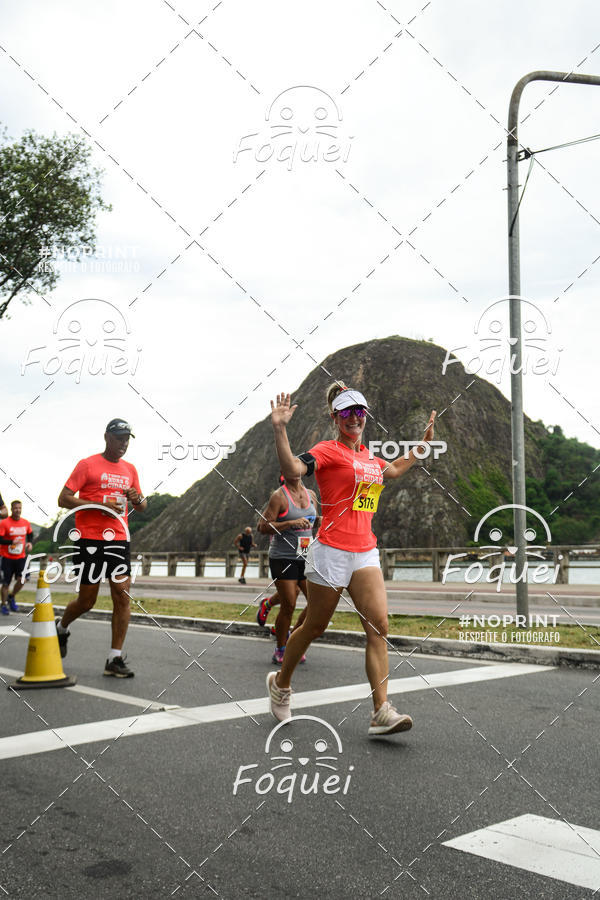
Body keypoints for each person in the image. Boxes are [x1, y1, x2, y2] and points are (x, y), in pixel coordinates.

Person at [266, 386, 436, 735]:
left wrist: (423, 445)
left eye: (359, 411)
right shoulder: (327, 451)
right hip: (330, 551)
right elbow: (294, 467)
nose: (355, 417)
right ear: (335, 418)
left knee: (379, 627)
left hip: (365, 552)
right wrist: (280, 429)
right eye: (346, 412)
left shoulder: (371, 459)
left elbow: (395, 470)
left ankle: (381, 711)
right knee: (314, 625)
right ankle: (281, 683)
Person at [55, 419, 146, 677]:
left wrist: (137, 499)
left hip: (118, 538)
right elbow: (63, 498)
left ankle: (114, 658)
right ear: (107, 437)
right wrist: (99, 507)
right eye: (119, 438)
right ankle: (61, 627)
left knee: (122, 593)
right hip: (89, 539)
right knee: (87, 601)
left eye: (127, 439)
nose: (124, 443)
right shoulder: (87, 465)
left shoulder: (130, 469)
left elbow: (141, 505)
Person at [257, 474, 320, 664]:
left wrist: (319, 521)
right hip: (282, 558)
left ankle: (292, 638)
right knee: (289, 604)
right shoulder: (279, 496)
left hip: (304, 555)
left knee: (316, 605)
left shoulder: (311, 495)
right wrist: (290, 523)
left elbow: (311, 523)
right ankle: (281, 648)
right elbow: (262, 527)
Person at [0, 501, 33, 614]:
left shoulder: (25, 523)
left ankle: (11, 596)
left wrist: (30, 543)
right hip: (7, 557)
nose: (17, 510)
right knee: (6, 583)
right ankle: (3, 605)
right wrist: (11, 542)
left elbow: (30, 534)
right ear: (11, 509)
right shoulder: (4, 523)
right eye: (15, 508)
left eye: (19, 508)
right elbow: (0, 539)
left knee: (24, 579)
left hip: (20, 557)